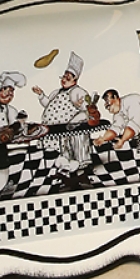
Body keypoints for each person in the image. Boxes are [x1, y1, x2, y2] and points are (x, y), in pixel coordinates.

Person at [33, 51, 96, 185]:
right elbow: (47, 104)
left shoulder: (78, 91)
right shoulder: (56, 92)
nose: (64, 79)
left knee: (73, 152)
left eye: (68, 77)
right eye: (64, 76)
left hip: (71, 129)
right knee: (61, 153)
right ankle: (65, 175)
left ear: (75, 80)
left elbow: (87, 109)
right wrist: (41, 95)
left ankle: (80, 175)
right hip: (55, 130)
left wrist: (76, 117)